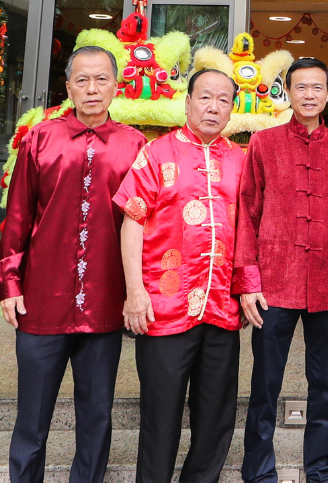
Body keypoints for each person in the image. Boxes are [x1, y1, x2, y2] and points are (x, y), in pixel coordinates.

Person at [0, 47, 147, 483]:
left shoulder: (135, 145)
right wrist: (10, 284)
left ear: (116, 86)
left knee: (97, 414)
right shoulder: (40, 139)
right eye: (82, 80)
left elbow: (143, 225)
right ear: (68, 87)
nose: (92, 89)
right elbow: (17, 216)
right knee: (32, 416)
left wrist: (136, 292)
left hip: (105, 300)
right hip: (42, 301)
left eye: (101, 79)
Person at [234, 58, 328, 483]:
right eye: (300, 87)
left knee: (325, 384)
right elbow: (247, 212)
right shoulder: (264, 143)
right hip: (275, 282)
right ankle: (258, 469)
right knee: (264, 383)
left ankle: (320, 466)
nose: (309, 95)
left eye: (317, 88)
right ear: (288, 93)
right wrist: (248, 280)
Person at [113, 69, 247, 483]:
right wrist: (134, 291)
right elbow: (132, 220)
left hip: (222, 307)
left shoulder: (241, 160)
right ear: (187, 102)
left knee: (216, 419)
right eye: (205, 97)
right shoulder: (156, 153)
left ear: (232, 109)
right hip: (164, 308)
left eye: (223, 100)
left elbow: (252, 229)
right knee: (160, 417)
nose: (213, 107)